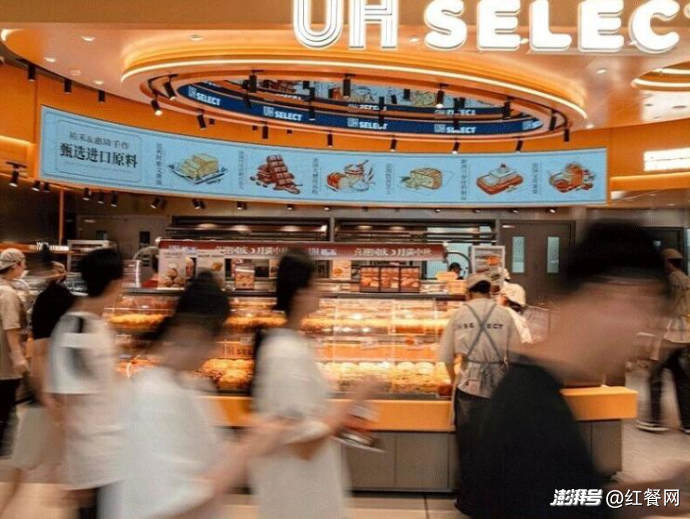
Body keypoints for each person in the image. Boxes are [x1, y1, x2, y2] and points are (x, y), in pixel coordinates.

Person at [475, 221, 690, 519]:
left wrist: (661, 493)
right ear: (617, 295)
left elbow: (569, 498)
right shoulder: (534, 416)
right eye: (646, 310)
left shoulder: (531, 388)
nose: (643, 332)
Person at [111, 272, 289, 519]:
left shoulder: (189, 385)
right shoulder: (154, 398)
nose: (213, 350)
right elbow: (178, 504)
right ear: (192, 334)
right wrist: (249, 448)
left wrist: (250, 440)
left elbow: (209, 461)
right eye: (215, 338)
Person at [251, 249, 378, 519]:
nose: (321, 291)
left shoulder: (293, 344)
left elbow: (308, 421)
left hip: (305, 493)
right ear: (300, 294)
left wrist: (344, 418)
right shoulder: (286, 354)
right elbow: (304, 444)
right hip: (298, 498)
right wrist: (354, 399)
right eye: (315, 284)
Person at [45, 248, 125, 519]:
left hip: (110, 457)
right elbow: (65, 405)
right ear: (114, 284)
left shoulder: (94, 325)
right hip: (93, 463)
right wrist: (72, 472)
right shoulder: (76, 330)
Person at [438, 273, 520, 516]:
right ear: (489, 291)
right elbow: (517, 355)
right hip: (499, 387)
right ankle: (496, 497)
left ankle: (470, 500)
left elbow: (446, 356)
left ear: (468, 292)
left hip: (468, 386)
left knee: (469, 445)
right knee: (496, 443)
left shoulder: (460, 314)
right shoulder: (504, 314)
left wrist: (454, 379)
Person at [0, 253, 74, 517]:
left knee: (28, 462)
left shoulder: (46, 299)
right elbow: (33, 345)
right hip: (51, 393)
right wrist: (44, 392)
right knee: (32, 461)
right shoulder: (52, 300)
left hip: (47, 392)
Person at [637, 248, 690, 434]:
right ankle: (687, 423)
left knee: (655, 376)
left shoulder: (672, 281)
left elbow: (666, 307)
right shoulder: (687, 280)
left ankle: (655, 420)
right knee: (681, 379)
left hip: (669, 335)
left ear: (668, 262)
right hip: (684, 334)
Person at [0, 248, 29, 456]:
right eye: (24, 263)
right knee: (5, 408)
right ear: (16, 265)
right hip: (4, 362)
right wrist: (18, 356)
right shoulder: (8, 294)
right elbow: (11, 328)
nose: (25, 267)